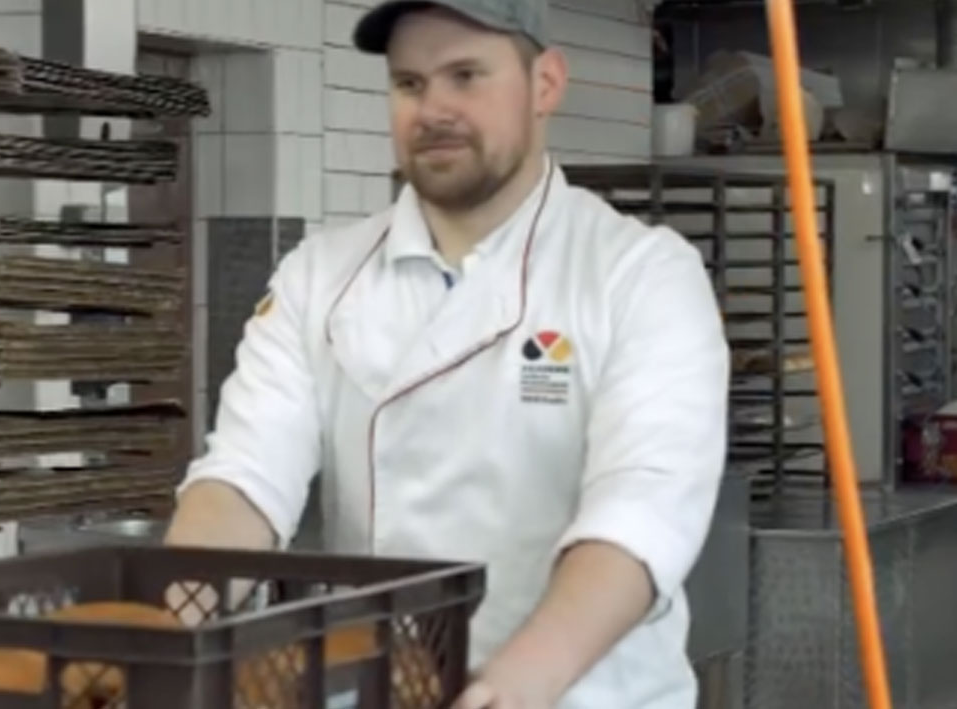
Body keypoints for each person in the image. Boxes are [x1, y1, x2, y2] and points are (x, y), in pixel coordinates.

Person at [163, 0, 730, 707]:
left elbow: (642, 513)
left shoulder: (637, 274)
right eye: (410, 84)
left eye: (466, 76)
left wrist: (513, 685)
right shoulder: (320, 276)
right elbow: (244, 481)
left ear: (545, 84)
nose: (433, 108)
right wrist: (165, 637)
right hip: (381, 687)